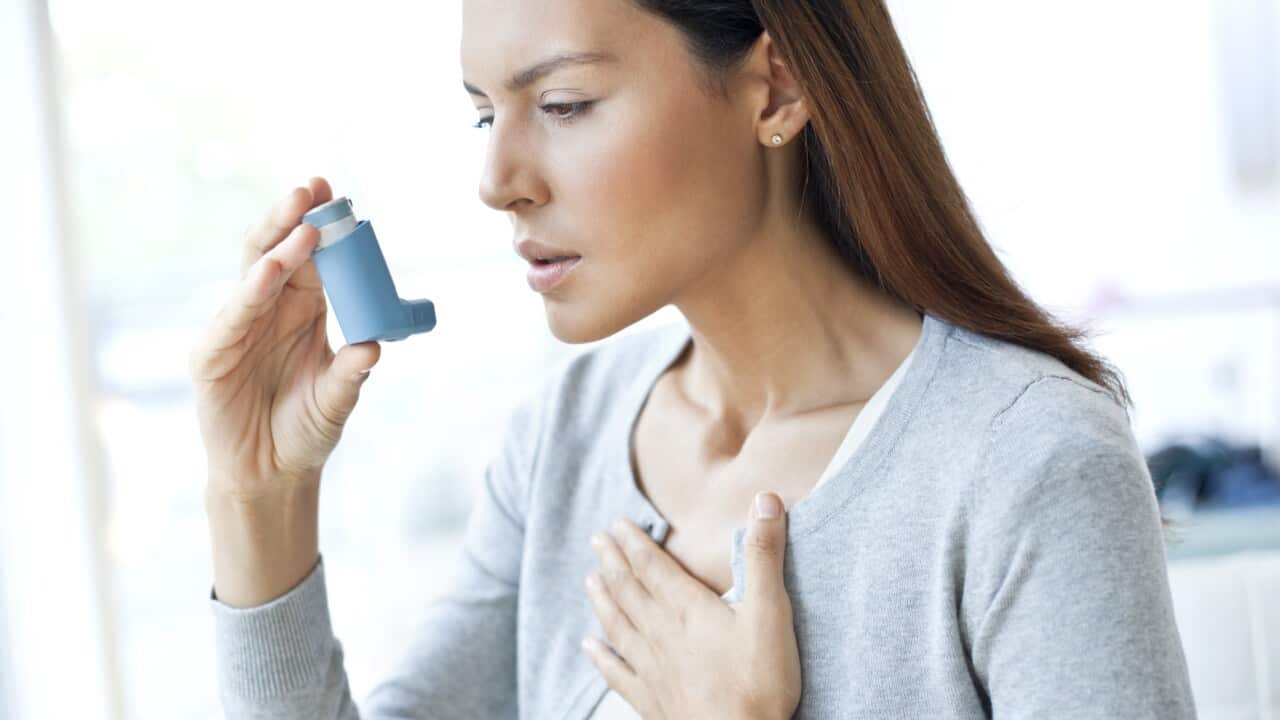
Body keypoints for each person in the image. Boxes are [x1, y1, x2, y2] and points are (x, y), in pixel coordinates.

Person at [190, 1, 1197, 718]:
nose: (496, 179)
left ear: (775, 86)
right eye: (484, 112)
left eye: (565, 103)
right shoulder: (562, 443)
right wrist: (259, 496)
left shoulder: (1025, 464)